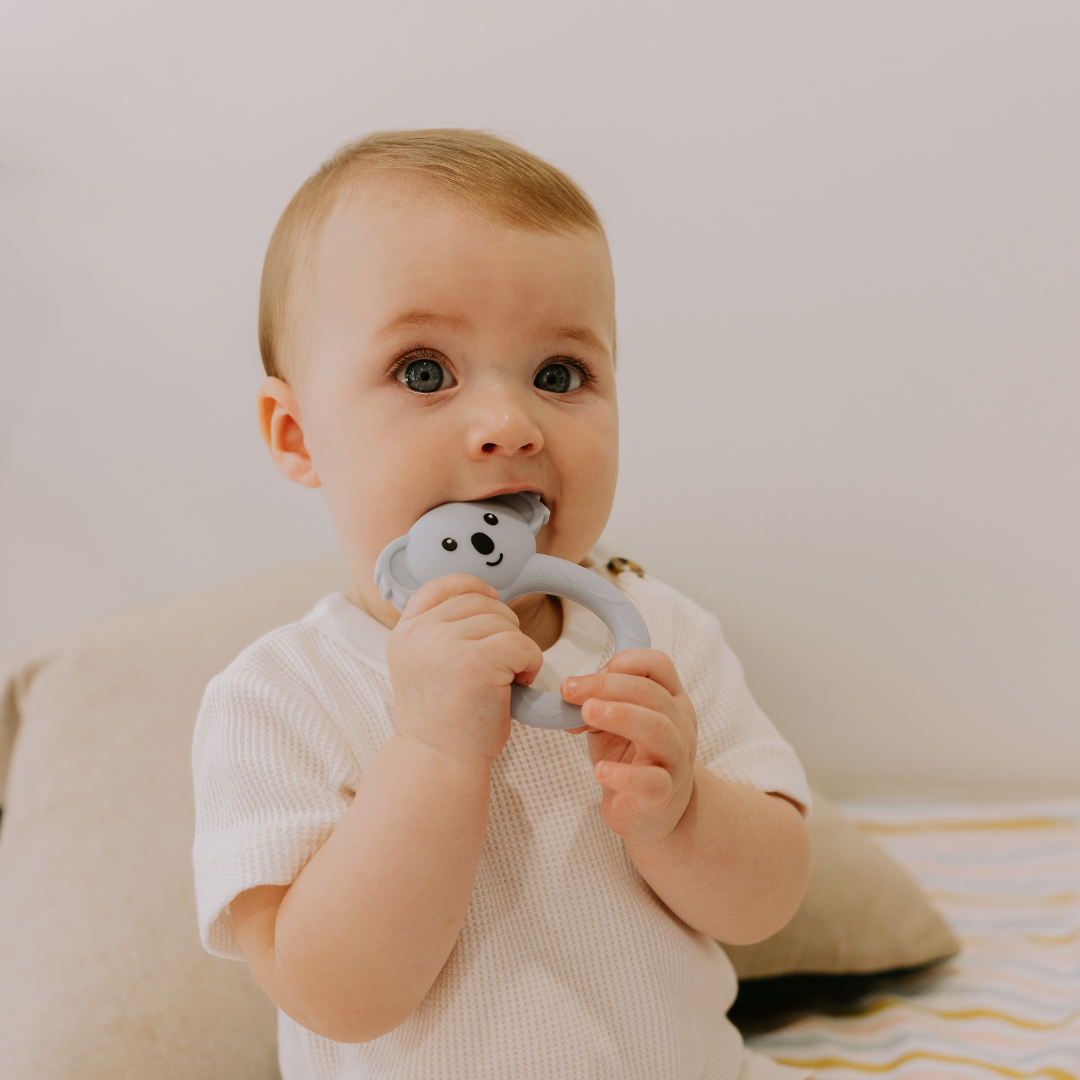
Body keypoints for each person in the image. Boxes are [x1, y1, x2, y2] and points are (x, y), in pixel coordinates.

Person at [192, 128, 813, 1080]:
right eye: (425, 372)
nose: (508, 426)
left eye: (559, 376)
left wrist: (684, 813)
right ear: (297, 433)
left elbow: (767, 903)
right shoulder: (278, 697)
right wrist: (435, 752)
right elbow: (336, 995)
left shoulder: (659, 635)